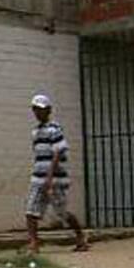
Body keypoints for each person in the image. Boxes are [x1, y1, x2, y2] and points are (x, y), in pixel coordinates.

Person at [26, 94, 88, 254]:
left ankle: (80, 237)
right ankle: (34, 243)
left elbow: (58, 152)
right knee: (30, 210)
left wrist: (50, 176)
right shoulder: (35, 132)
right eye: (36, 109)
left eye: (42, 109)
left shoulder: (54, 129)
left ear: (48, 110)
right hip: (38, 177)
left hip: (54, 178)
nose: (39, 113)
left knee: (62, 212)